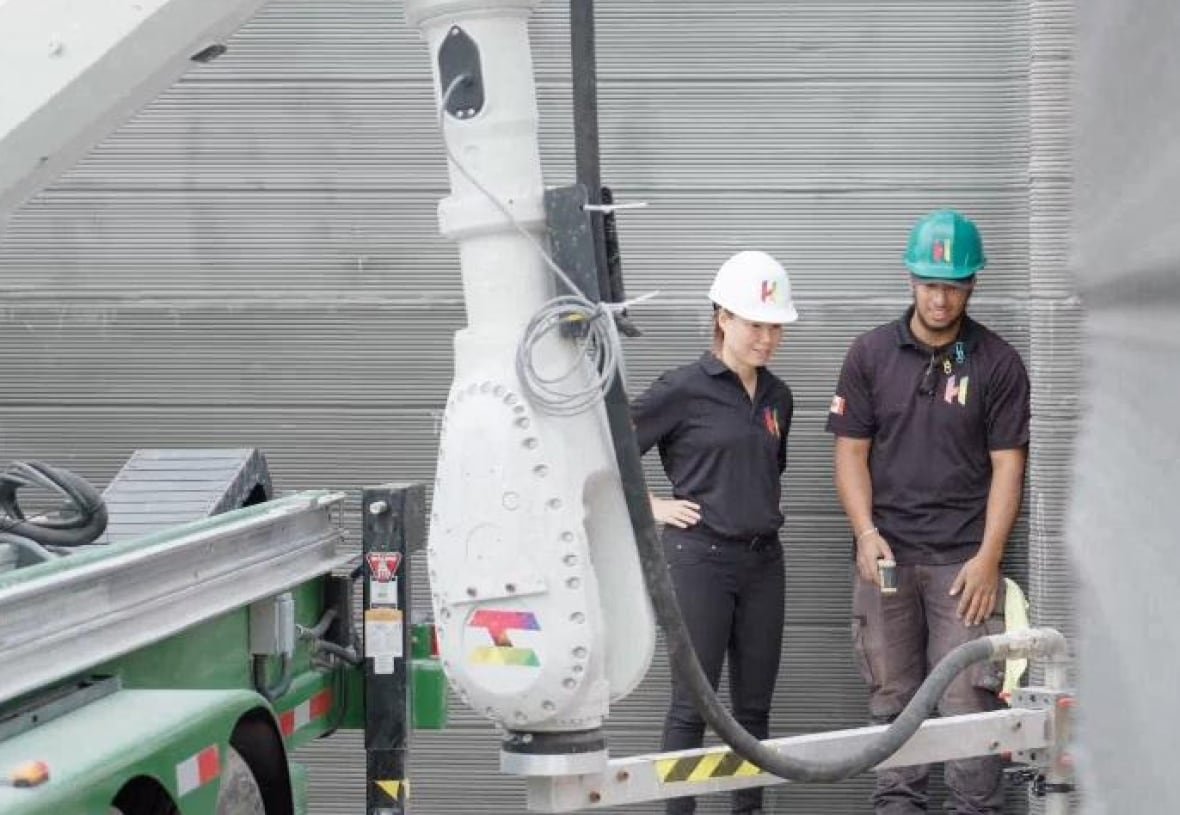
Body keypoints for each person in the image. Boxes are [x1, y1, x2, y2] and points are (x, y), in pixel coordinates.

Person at [826, 209, 1030, 814]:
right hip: (885, 563)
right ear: (910, 280)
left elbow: (1008, 468)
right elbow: (850, 455)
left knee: (970, 712)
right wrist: (864, 533)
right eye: (929, 283)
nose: (939, 298)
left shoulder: (996, 363)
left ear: (972, 285)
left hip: (962, 568)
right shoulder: (869, 356)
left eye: (953, 284)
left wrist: (989, 558)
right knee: (892, 708)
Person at [631, 250, 798, 815]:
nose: (767, 338)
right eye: (756, 324)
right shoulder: (682, 389)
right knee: (692, 707)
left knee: (753, 712)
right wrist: (653, 506)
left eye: (775, 327)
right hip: (699, 561)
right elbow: (607, 452)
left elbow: (766, 472)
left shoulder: (779, 398)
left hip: (763, 564)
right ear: (723, 317)